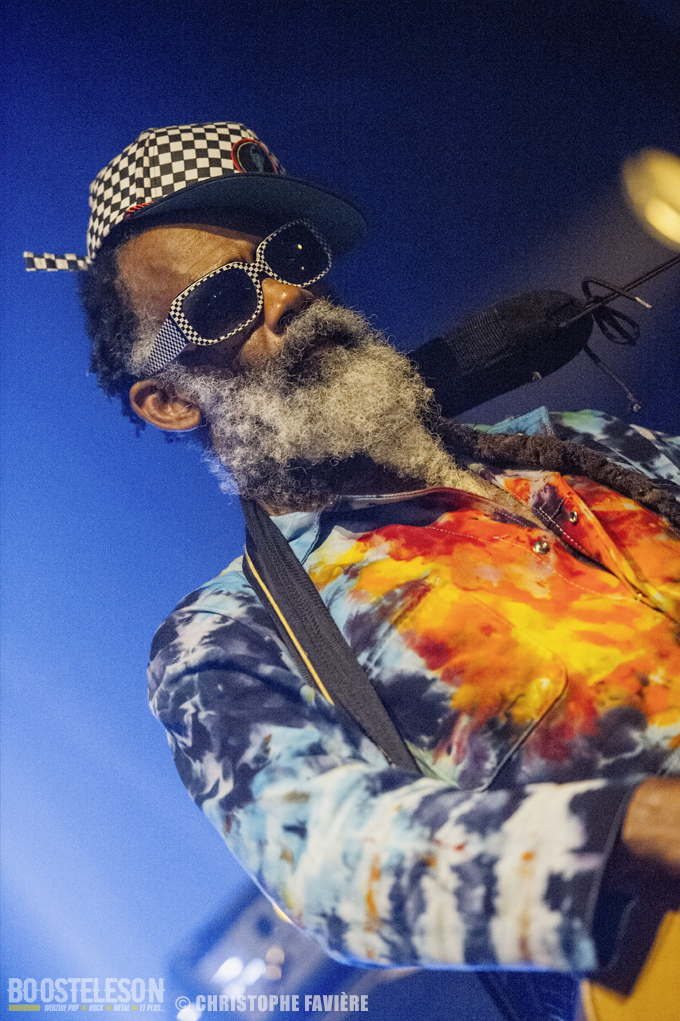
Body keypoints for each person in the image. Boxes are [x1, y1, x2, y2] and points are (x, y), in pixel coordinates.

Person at [29, 121, 680, 1013]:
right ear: (171, 400)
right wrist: (633, 824)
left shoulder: (579, 445)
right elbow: (330, 860)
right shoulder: (227, 636)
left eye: (291, 256)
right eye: (220, 302)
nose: (288, 296)